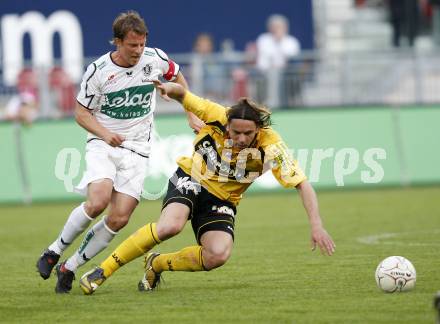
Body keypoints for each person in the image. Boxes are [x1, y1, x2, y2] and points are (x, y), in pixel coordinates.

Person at [78, 80, 336, 295]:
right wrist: (170, 88)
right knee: (170, 226)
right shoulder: (216, 114)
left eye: (248, 134)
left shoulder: (272, 146)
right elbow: (184, 95)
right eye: (236, 133)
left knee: (218, 255)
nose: (242, 139)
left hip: (223, 200)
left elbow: (302, 184)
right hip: (191, 177)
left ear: (258, 129)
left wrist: (316, 224)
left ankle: (156, 264)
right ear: (228, 125)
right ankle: (103, 270)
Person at [35, 11, 203, 294]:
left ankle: (70, 267)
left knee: (120, 218)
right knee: (98, 200)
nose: (138, 50)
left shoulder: (155, 59)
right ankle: (54, 251)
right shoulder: (98, 71)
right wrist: (104, 133)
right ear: (117, 42)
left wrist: (189, 112)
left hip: (138, 148)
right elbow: (81, 113)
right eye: (131, 45)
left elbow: (178, 78)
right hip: (103, 143)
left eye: (141, 44)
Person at [256, 14, 301, 108]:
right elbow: (265, 57)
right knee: (273, 73)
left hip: (287, 74)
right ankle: (272, 105)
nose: (276, 29)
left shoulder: (292, 41)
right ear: (270, 28)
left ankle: (282, 105)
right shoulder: (263, 39)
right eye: (274, 27)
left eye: (279, 27)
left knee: (281, 74)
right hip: (265, 73)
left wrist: (279, 41)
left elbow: (291, 57)